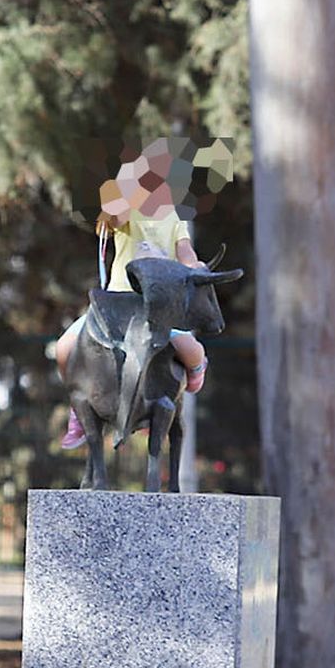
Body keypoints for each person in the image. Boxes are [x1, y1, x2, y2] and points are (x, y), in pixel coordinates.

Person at [54, 140, 209, 449]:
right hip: (115, 305)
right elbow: (113, 217)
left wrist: (195, 267)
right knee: (64, 348)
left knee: (192, 350)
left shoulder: (174, 219)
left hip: (156, 308)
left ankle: (177, 388)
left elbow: (185, 251)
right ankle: (78, 405)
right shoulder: (128, 212)